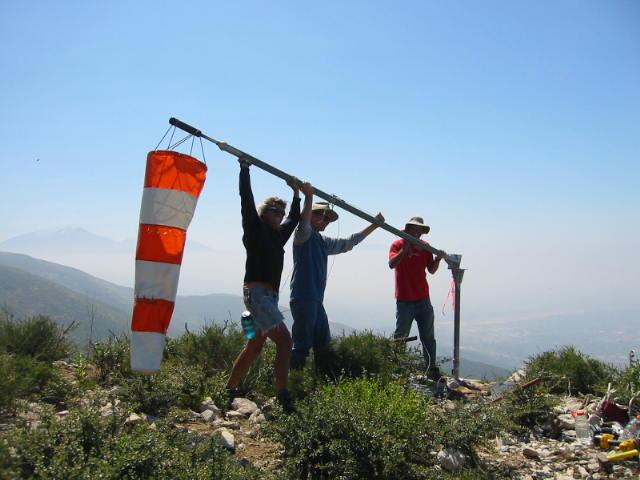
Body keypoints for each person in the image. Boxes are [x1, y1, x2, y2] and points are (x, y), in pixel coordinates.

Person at [226, 156, 312, 410]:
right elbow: (245, 200)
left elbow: (294, 218)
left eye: (280, 212)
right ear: (264, 213)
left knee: (254, 345)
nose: (279, 215)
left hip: (268, 296)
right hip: (257, 294)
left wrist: (297, 194)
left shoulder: (279, 235)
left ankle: (228, 389)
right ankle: (283, 394)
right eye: (273, 210)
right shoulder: (254, 228)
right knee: (286, 341)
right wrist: (244, 169)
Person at [289, 197, 384, 370]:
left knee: (323, 344)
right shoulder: (303, 234)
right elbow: (303, 221)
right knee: (302, 346)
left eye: (328, 219)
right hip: (303, 297)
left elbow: (349, 243)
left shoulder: (323, 242)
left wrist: (374, 225)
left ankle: (320, 382)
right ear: (311, 215)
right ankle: (292, 386)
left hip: (316, 300)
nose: (326, 221)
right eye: (323, 216)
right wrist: (309, 197)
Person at [388, 216, 446, 380]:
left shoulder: (425, 247)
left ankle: (431, 368)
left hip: (423, 299)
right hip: (404, 300)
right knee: (401, 336)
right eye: (413, 229)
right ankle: (397, 370)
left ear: (422, 233)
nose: (416, 232)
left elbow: (432, 270)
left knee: (428, 337)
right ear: (407, 229)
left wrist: (438, 259)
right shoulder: (397, 244)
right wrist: (404, 249)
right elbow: (392, 264)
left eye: (419, 230)